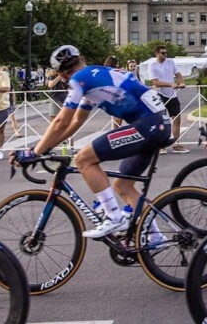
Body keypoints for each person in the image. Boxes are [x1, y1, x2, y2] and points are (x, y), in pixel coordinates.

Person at [12, 45, 172, 239]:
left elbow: (61, 122)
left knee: (83, 159)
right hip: (156, 124)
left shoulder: (79, 79)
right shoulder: (93, 76)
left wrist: (34, 152)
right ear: (82, 59)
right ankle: (155, 237)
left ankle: (113, 217)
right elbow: (76, 122)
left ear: (61, 75)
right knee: (123, 185)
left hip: (148, 125)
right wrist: (46, 147)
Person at [146, 45, 188, 153]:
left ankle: (176, 144)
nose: (165, 55)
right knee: (162, 121)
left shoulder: (170, 62)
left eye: (166, 53)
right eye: (163, 53)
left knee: (177, 119)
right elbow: (155, 82)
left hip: (172, 95)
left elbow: (178, 74)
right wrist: (170, 84)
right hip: (159, 94)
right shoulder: (152, 65)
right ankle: (161, 146)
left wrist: (181, 82)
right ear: (157, 54)